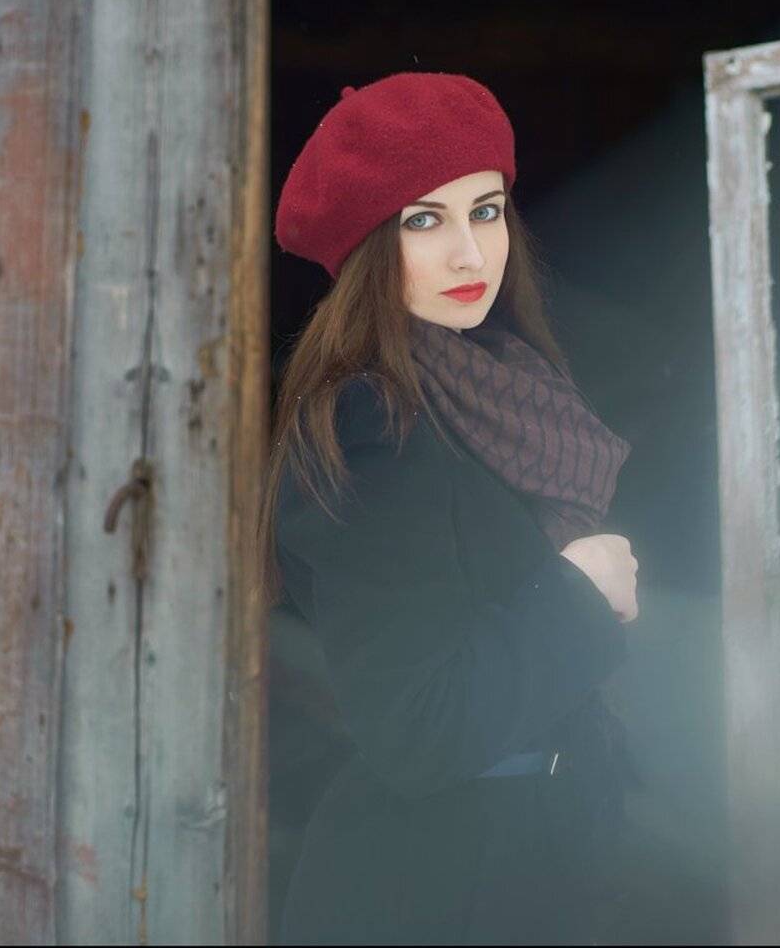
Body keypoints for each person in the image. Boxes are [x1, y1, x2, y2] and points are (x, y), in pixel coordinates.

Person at [255, 71, 642, 945]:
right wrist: (578, 591)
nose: (470, 254)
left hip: (523, 866)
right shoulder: (371, 423)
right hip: (432, 894)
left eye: (486, 210)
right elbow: (417, 730)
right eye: (423, 221)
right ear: (366, 246)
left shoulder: (501, 390)